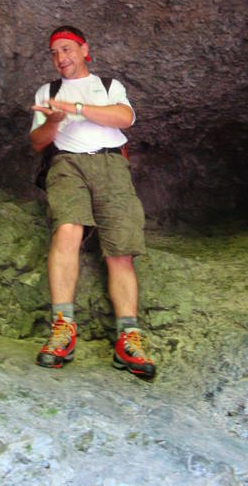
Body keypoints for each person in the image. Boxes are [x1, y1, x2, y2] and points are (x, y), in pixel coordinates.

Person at [30, 25, 155, 377]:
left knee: (121, 250)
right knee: (67, 230)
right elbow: (38, 142)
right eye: (55, 53)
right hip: (67, 164)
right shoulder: (48, 92)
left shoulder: (109, 86)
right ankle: (62, 328)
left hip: (111, 163)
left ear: (84, 50)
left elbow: (125, 118)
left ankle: (128, 337)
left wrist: (75, 108)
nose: (60, 58)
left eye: (67, 49)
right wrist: (54, 121)